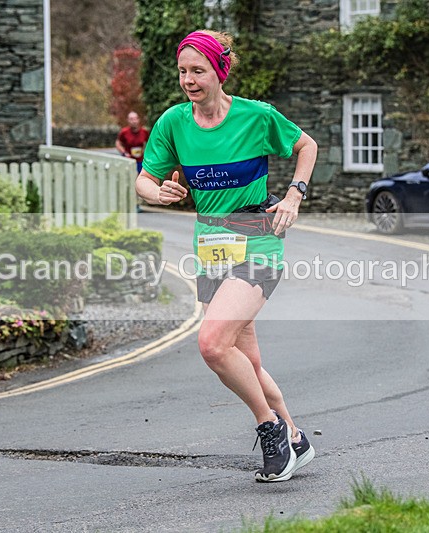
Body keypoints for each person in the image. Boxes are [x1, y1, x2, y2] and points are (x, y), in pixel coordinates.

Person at [135, 30, 317, 482]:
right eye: (182, 71)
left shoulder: (256, 117)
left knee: (212, 344)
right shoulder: (174, 123)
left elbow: (305, 146)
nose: (189, 80)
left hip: (257, 241)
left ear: (219, 71)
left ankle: (270, 429)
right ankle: (296, 438)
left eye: (198, 71)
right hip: (212, 249)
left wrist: (294, 196)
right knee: (247, 363)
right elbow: (144, 178)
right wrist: (158, 193)